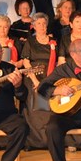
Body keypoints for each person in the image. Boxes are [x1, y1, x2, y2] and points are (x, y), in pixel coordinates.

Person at [21, 12, 57, 149]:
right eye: (38, 24)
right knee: (35, 111)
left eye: (43, 23)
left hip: (50, 79)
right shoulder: (30, 41)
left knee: (50, 110)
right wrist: (36, 81)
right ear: (33, 26)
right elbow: (26, 62)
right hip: (33, 79)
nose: (41, 26)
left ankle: (50, 141)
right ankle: (33, 142)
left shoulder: (54, 42)